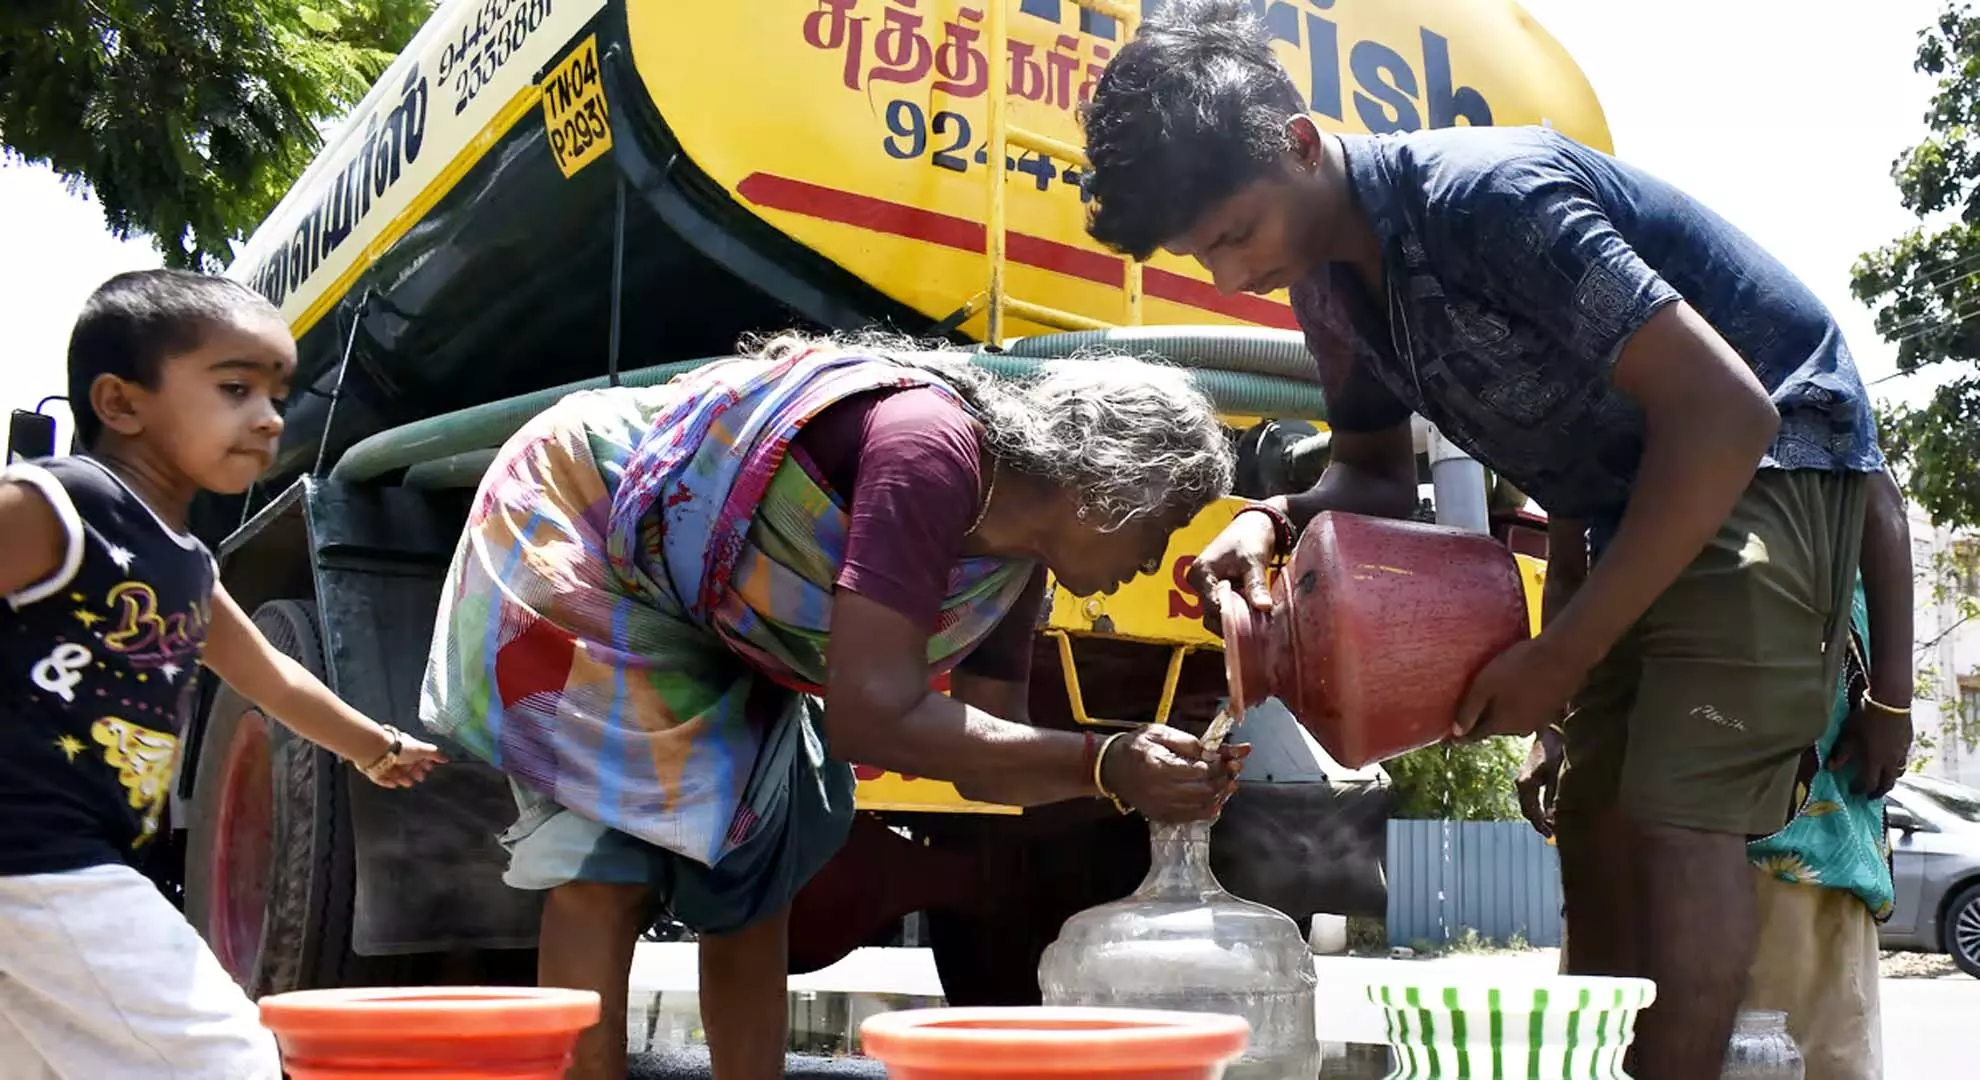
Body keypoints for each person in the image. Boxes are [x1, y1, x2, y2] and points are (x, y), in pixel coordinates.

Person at [1077, 1, 1912, 1075]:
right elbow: (1371, 475)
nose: (1232, 278)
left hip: (1767, 458)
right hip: (1631, 499)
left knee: (1675, 810)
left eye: (1236, 235)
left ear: (1296, 143)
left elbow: (1727, 413)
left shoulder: (1490, 201)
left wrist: (1559, 656)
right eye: (1205, 258)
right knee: (1597, 822)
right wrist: (1269, 519)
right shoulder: (1331, 293)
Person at [418, 330, 1247, 1080]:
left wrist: (1124, 768)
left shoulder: (1011, 574)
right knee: (610, 854)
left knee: (753, 848)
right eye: (1164, 525)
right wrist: (1103, 762)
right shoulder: (930, 449)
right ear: (1109, 489)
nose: (1154, 560)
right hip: (594, 530)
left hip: (718, 611)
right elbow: (873, 715)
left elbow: (990, 769)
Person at [0, 269, 445, 1079]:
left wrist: (374, 746)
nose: (269, 418)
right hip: (41, 859)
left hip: (61, 867)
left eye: (277, 393)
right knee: (227, 1061)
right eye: (235, 387)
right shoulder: (61, 504)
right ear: (122, 403)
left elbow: (274, 679)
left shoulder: (188, 567)